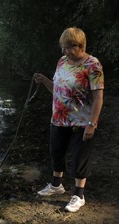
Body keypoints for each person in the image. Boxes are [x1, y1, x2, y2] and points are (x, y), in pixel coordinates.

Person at [34, 27, 104, 212]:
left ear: (79, 46)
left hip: (82, 121)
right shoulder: (62, 61)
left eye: (66, 47)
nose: (63, 51)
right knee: (56, 152)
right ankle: (57, 185)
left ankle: (79, 195)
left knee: (80, 157)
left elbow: (98, 97)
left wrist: (92, 123)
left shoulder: (92, 65)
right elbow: (58, 90)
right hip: (58, 118)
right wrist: (44, 81)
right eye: (62, 47)